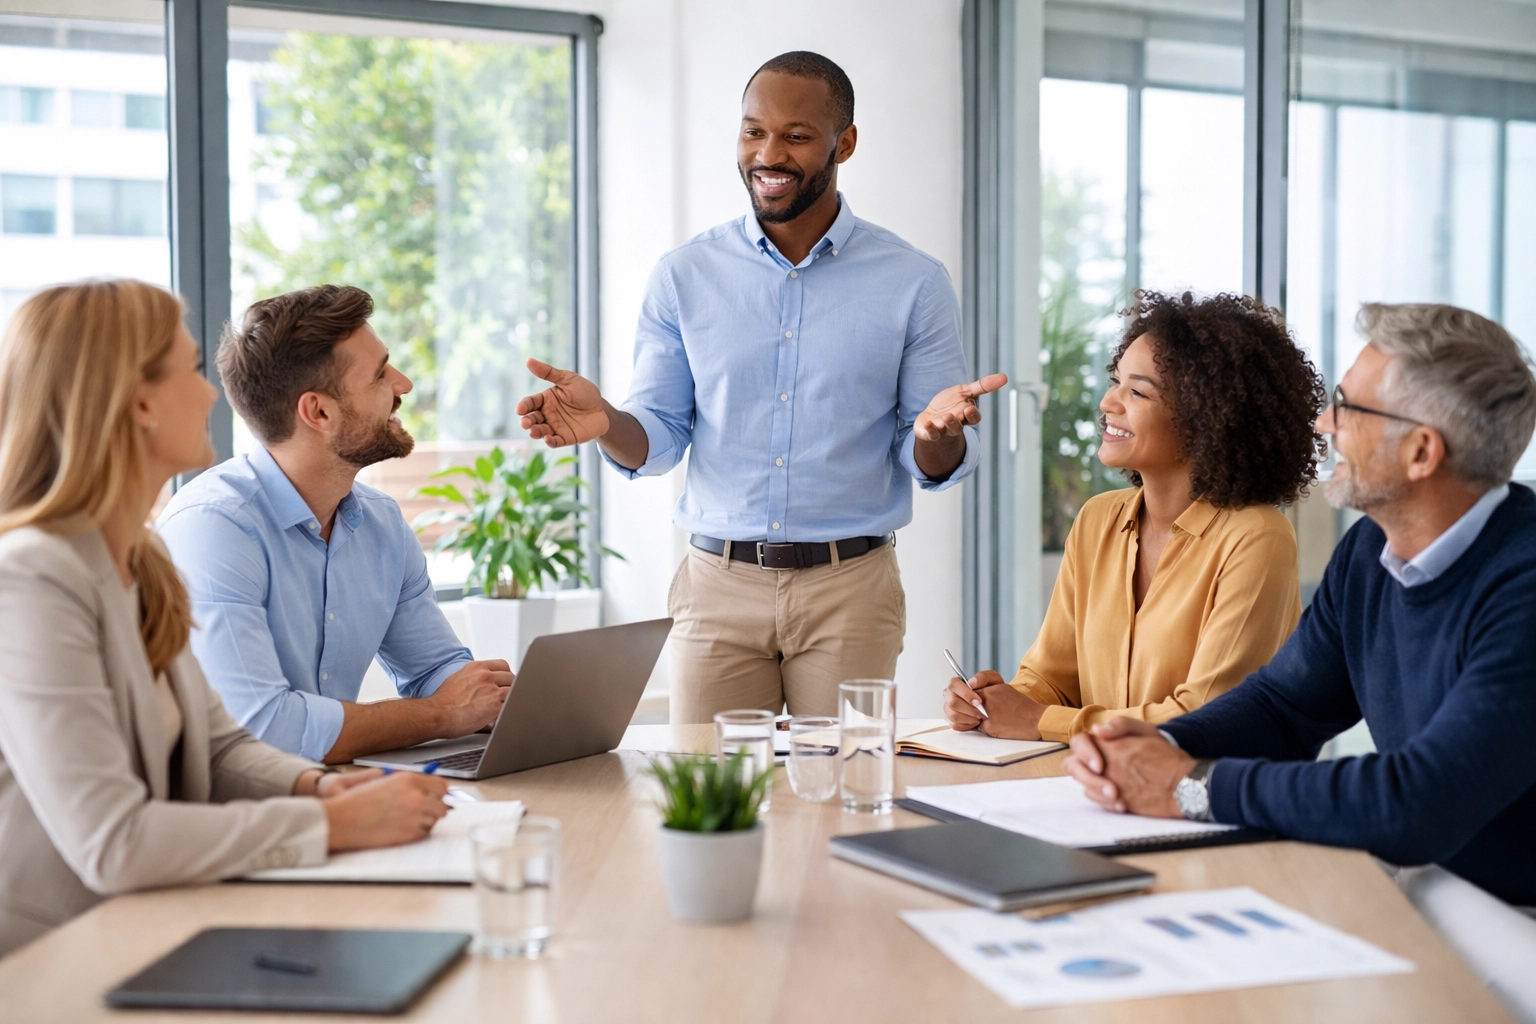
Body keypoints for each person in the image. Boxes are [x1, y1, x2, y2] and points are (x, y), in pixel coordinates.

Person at [1060, 303, 1536, 1022]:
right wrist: (1158, 744)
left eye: (1347, 407)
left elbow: (1417, 803)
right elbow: (1285, 707)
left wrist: (1190, 788)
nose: (1324, 425)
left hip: (1512, 924)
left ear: (1421, 453)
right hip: (1444, 889)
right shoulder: (1370, 554)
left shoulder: (1525, 586)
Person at [514, 51, 1006, 722]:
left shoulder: (914, 282)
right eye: (753, 131)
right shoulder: (684, 274)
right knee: (712, 805)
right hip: (716, 588)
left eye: (796, 136)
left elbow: (929, 460)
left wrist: (934, 436)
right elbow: (657, 436)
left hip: (850, 591)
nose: (767, 154)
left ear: (845, 143)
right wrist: (607, 422)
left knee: (838, 795)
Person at [0, 280, 451, 956]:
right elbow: (114, 842)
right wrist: (328, 826)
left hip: (157, 920)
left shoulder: (141, 561)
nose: (212, 394)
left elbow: (221, 747)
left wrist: (320, 789)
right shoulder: (31, 578)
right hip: (57, 955)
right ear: (139, 403)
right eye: (186, 371)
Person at [943, 292, 1325, 742]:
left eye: (1137, 391)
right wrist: (995, 701)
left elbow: (1206, 716)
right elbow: (1052, 679)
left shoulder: (1256, 537)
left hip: (1199, 798)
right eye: (1116, 380)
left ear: (1207, 420)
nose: (1108, 402)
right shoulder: (1097, 520)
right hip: (1095, 790)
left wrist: (1037, 720)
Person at [157, 285, 512, 763]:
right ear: (318, 411)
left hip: (332, 790)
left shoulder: (381, 523)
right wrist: (441, 714)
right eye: (380, 375)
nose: (403, 385)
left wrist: (491, 699)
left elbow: (434, 668)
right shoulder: (213, 528)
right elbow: (262, 728)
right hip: (238, 811)